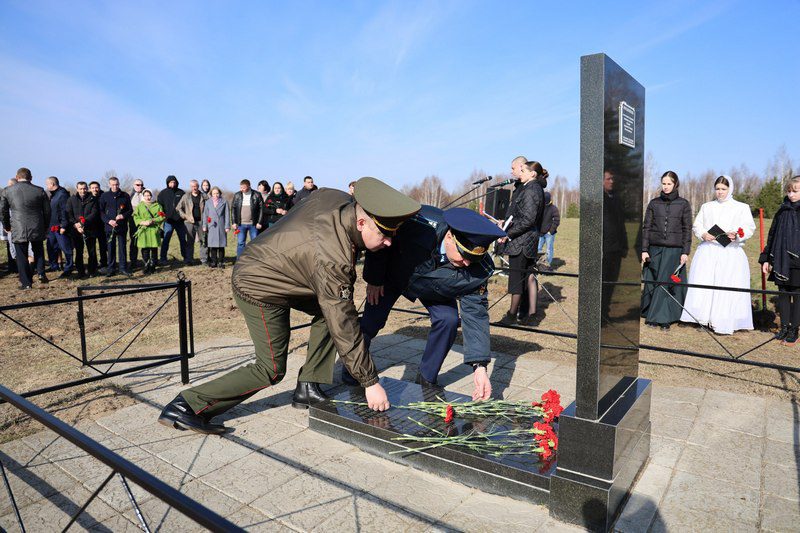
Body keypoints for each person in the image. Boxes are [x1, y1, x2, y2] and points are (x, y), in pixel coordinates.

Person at [158, 177, 420, 434]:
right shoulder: (332, 258)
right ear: (361, 222)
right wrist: (370, 382)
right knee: (270, 368)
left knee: (327, 313)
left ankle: (308, 385)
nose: (389, 242)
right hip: (257, 284)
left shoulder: (336, 198)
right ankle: (187, 405)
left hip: (283, 267)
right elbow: (343, 320)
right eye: (384, 235)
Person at [350, 206, 506, 399]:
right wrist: (375, 278)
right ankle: (353, 371)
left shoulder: (478, 268)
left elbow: (476, 314)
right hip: (395, 274)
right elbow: (382, 238)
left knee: (448, 319)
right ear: (449, 237)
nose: (467, 264)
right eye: (464, 256)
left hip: (435, 286)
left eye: (473, 259)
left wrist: (480, 367)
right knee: (371, 321)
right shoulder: (417, 221)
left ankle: (426, 377)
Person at [680, 175, 755, 334]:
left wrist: (737, 235)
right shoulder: (707, 206)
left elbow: (749, 228)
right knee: (706, 282)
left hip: (730, 252)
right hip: (708, 251)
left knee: (726, 285)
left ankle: (723, 319)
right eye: (717, 189)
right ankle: (702, 318)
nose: (720, 192)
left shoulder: (741, 207)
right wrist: (703, 234)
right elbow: (697, 225)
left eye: (723, 189)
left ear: (730, 189)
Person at [641, 171, 693, 330]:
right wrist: (644, 249)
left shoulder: (683, 204)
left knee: (666, 283)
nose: (666, 186)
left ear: (675, 184)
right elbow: (646, 227)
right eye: (663, 183)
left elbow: (687, 229)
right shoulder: (654, 203)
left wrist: (685, 252)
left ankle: (662, 319)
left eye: (669, 183)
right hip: (654, 249)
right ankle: (652, 311)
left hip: (674, 251)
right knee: (653, 282)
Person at [498, 161, 548, 325]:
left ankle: (511, 315)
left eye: (523, 171)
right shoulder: (532, 188)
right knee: (528, 277)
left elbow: (528, 220)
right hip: (527, 240)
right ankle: (531, 316)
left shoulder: (531, 190)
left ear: (532, 174)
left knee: (516, 279)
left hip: (522, 241)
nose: (520, 173)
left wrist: (508, 234)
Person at [760, 175, 800, 345]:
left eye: (795, 191)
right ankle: (784, 327)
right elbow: (772, 235)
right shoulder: (782, 211)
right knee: (783, 293)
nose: (791, 195)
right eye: (789, 191)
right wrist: (766, 259)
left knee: (797, 294)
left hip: (798, 261)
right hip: (781, 259)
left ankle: (794, 330)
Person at [1, 168, 50, 289]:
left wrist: (6, 226)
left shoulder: (7, 191)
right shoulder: (39, 190)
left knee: (21, 255)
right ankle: (41, 273)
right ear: (31, 177)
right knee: (38, 251)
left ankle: (26, 283)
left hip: (18, 226)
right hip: (37, 225)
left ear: (17, 177)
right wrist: (45, 226)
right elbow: (47, 211)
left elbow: (3, 211)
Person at [99, 177, 133, 277]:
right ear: (109, 185)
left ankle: (123, 268)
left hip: (121, 226)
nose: (115, 186)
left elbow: (130, 210)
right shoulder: (104, 196)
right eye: (113, 185)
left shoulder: (125, 195)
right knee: (110, 248)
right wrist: (109, 221)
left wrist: (123, 216)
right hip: (109, 227)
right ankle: (111, 269)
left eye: (117, 184)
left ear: (119, 184)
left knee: (122, 247)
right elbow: (101, 212)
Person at [66, 181, 100, 278]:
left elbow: (94, 213)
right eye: (80, 189)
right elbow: (69, 213)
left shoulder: (93, 199)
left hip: (90, 228)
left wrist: (83, 223)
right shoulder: (71, 199)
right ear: (77, 189)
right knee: (79, 251)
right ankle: (80, 271)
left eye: (84, 188)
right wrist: (76, 224)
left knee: (91, 251)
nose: (83, 190)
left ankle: (92, 270)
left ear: (87, 188)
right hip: (76, 230)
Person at [45, 176, 73, 277]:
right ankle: (54, 265)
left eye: (47, 184)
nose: (46, 186)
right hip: (52, 227)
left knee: (66, 248)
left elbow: (65, 211)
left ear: (52, 184)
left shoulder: (62, 195)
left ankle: (68, 267)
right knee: (51, 247)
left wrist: (64, 226)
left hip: (60, 227)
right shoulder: (53, 195)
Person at [133, 188, 166, 275]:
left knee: (154, 248)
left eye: (149, 195)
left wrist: (154, 220)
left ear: (152, 196)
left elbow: (162, 216)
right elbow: (135, 217)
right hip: (144, 230)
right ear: (143, 196)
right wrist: (142, 222)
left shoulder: (158, 206)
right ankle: (146, 265)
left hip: (154, 229)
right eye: (146, 195)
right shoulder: (140, 206)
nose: (147, 197)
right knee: (145, 248)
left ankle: (153, 265)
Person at [157, 175, 187, 265]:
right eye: (170, 182)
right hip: (168, 221)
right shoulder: (163, 193)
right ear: (167, 183)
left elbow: (186, 205)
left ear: (176, 183)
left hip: (180, 221)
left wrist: (183, 216)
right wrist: (163, 216)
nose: (172, 184)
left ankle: (186, 257)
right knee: (166, 240)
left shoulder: (181, 193)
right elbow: (159, 207)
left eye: (174, 182)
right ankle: (163, 258)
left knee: (183, 240)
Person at [176, 179, 206, 266]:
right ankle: (189, 260)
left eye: (196, 186)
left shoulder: (204, 196)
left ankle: (204, 260)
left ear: (198, 186)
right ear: (190, 187)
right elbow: (178, 208)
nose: (194, 188)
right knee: (190, 242)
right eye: (192, 186)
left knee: (203, 241)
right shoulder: (186, 196)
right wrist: (185, 216)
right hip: (189, 222)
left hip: (201, 222)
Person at [231, 179, 263, 256]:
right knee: (241, 243)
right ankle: (240, 259)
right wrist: (234, 222)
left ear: (249, 186)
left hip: (253, 224)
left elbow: (261, 209)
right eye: (241, 187)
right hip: (241, 224)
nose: (241, 189)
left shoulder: (257, 194)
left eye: (243, 188)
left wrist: (259, 222)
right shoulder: (237, 195)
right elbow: (233, 209)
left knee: (254, 243)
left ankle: (255, 259)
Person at [203, 186, 230, 268]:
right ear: (211, 194)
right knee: (213, 245)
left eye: (217, 193)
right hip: (211, 226)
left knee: (221, 245)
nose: (216, 195)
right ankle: (214, 262)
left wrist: (227, 226)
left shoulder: (224, 202)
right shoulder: (208, 202)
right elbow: (205, 215)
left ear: (220, 193)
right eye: (214, 193)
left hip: (221, 225)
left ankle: (221, 262)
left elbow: (227, 215)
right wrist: (204, 225)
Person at [537, 192, 561, 269]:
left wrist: (551, 231)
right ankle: (538, 264)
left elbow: (557, 220)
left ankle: (547, 265)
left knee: (549, 249)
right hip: (540, 233)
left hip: (549, 234)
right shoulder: (540, 208)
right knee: (538, 249)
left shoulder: (554, 208)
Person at [89, 181, 108, 270]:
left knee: (103, 246)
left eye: (96, 187)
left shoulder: (104, 196)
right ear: (90, 189)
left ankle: (104, 263)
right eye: (93, 188)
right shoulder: (88, 198)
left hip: (102, 224)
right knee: (92, 247)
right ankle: (94, 263)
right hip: (91, 226)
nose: (95, 189)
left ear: (99, 188)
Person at [128, 178, 145, 270]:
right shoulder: (130, 195)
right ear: (134, 185)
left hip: (145, 222)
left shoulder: (146, 194)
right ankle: (133, 261)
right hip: (133, 222)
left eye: (141, 185)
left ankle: (146, 261)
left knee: (145, 241)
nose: (140, 186)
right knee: (134, 242)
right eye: (138, 185)